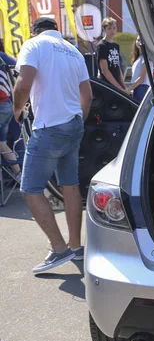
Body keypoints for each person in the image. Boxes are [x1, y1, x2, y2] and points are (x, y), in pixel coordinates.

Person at [13, 17, 93, 275]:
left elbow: (23, 84)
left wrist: (17, 109)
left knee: (30, 189)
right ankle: (76, 246)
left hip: (49, 127)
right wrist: (78, 120)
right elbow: (88, 96)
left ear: (35, 30)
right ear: (57, 31)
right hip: (73, 123)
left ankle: (59, 249)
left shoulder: (34, 45)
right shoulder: (73, 51)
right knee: (70, 185)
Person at [0, 54, 21, 179]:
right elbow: (16, 66)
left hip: (1, 105)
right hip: (7, 104)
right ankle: (19, 175)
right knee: (2, 144)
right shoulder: (2, 57)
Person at [97, 17, 127, 92]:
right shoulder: (102, 46)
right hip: (107, 85)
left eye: (114, 28)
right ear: (104, 29)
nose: (112, 31)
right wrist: (118, 87)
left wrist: (124, 86)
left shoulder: (116, 45)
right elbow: (105, 71)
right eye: (109, 28)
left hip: (117, 83)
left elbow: (117, 66)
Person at [128, 36, 152, 102]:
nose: (139, 42)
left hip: (142, 88)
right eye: (138, 40)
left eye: (142, 41)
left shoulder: (145, 57)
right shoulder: (139, 57)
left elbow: (142, 78)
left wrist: (129, 89)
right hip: (137, 87)